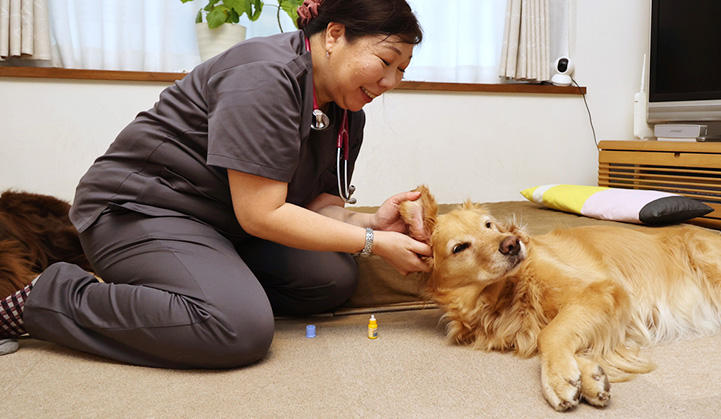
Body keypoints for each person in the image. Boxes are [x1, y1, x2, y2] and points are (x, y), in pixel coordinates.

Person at [0, 0, 429, 368]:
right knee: (238, 329)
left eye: (402, 70)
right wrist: (371, 241)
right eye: (385, 61)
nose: (390, 82)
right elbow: (263, 213)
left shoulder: (347, 113)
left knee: (331, 279)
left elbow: (319, 208)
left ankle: (204, 290)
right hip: (142, 209)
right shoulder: (264, 74)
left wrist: (370, 219)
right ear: (334, 34)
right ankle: (47, 299)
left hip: (226, 225)